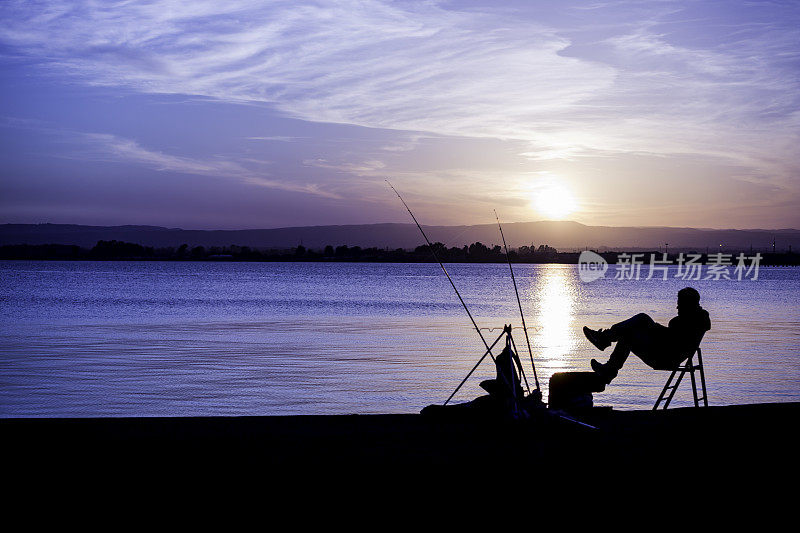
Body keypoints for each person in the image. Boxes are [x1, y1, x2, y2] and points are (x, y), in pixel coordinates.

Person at [582, 287, 711, 383]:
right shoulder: (694, 320)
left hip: (664, 358)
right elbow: (671, 338)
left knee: (642, 319)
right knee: (628, 335)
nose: (677, 308)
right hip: (662, 352)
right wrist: (655, 328)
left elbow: (672, 341)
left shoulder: (690, 322)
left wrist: (654, 327)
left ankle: (604, 340)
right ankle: (608, 369)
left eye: (680, 304)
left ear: (688, 305)